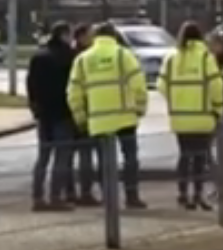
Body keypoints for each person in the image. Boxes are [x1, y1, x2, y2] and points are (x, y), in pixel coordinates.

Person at [67, 21, 149, 209]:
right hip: (126, 117)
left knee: (105, 161)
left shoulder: (83, 59)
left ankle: (109, 197)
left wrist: (80, 116)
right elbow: (139, 84)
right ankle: (132, 195)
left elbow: (74, 91)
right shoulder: (124, 55)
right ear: (114, 36)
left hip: (98, 119)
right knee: (130, 158)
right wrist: (140, 108)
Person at [158, 20, 223, 210]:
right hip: (203, 117)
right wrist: (218, 109)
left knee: (184, 156)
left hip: (180, 118)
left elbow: (161, 86)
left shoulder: (171, 58)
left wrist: (176, 100)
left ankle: (182, 194)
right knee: (199, 158)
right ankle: (197, 195)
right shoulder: (205, 57)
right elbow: (216, 86)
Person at [26, 21, 77, 212]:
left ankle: (37, 196)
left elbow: (31, 85)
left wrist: (35, 108)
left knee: (43, 157)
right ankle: (56, 196)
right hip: (63, 113)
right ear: (64, 35)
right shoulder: (69, 57)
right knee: (62, 157)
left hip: (44, 114)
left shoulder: (38, 57)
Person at [64, 23, 100, 205]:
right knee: (84, 154)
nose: (93, 39)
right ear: (80, 37)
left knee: (70, 155)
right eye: (90, 35)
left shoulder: (72, 55)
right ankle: (84, 192)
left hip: (70, 110)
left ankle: (70, 191)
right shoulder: (83, 58)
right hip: (82, 110)